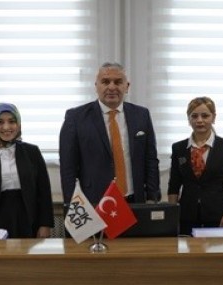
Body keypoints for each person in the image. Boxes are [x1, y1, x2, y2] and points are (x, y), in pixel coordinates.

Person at [59, 62, 160, 206]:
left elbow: (151, 160)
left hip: (135, 200)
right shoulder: (76, 118)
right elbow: (68, 167)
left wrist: (152, 196)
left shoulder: (141, 115)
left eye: (118, 82)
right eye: (105, 82)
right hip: (94, 203)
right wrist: (72, 205)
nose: (112, 87)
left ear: (127, 86)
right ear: (96, 86)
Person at [0, 103, 54, 238]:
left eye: (12, 121)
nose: (6, 127)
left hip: (28, 217)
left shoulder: (32, 152)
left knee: (27, 252)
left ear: (18, 124)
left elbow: (44, 191)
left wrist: (45, 224)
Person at [168, 97, 223, 236]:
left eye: (205, 116)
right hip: (186, 216)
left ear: (213, 117)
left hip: (217, 215)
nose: (199, 120)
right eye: (194, 116)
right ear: (189, 119)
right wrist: (171, 215)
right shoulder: (178, 148)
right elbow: (174, 185)